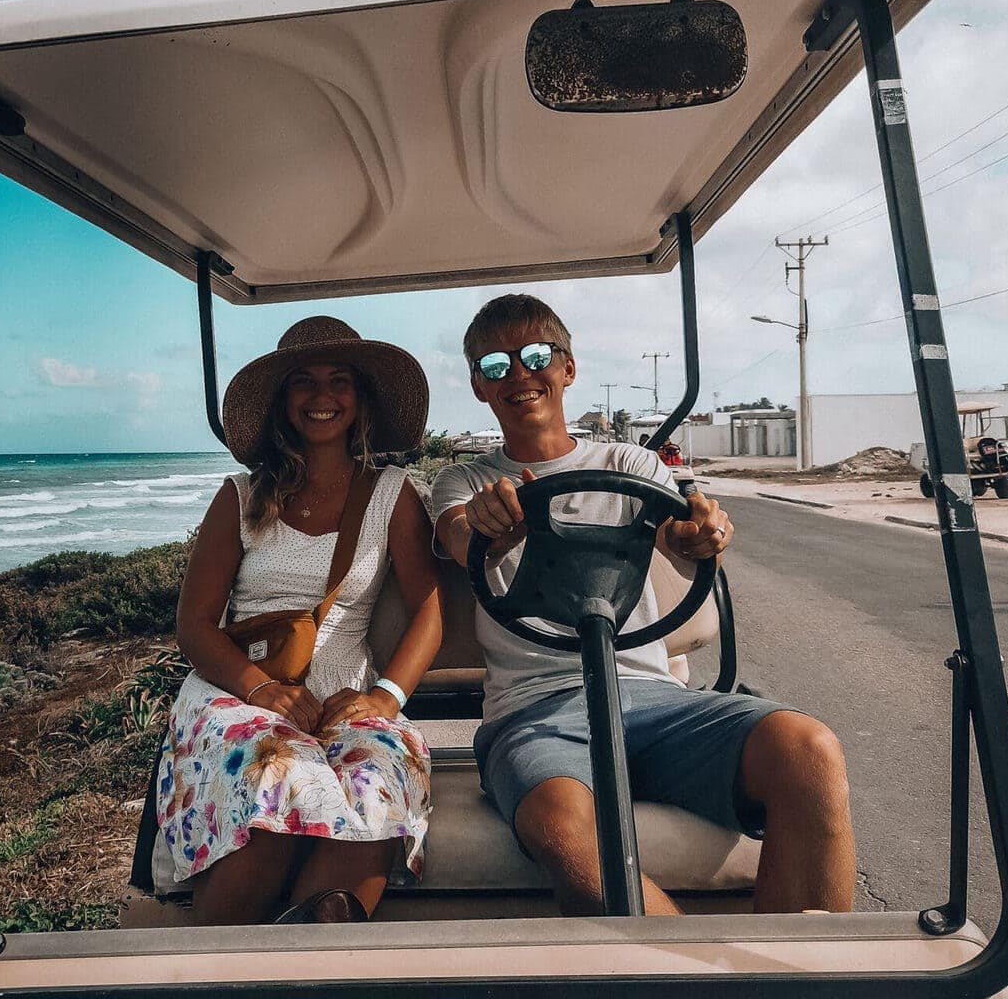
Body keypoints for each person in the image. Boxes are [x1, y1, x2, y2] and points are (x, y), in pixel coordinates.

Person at [432, 294, 854, 917]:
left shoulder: (629, 463)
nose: (519, 374)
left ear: (568, 369)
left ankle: (805, 977)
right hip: (535, 712)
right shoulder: (467, 483)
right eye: (496, 366)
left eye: (537, 356)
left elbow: (676, 535)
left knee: (807, 750)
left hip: (653, 698)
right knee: (558, 823)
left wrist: (696, 535)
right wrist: (493, 528)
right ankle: (699, 980)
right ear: (478, 386)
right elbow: (460, 535)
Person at [161, 316, 443, 925]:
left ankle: (320, 949)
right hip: (240, 693)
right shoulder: (239, 496)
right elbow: (196, 624)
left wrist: (387, 699)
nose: (322, 396)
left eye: (339, 379)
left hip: (347, 698)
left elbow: (428, 606)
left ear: (359, 398)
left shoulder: (393, 494)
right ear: (282, 403)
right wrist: (262, 690)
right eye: (303, 382)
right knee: (283, 775)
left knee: (381, 776)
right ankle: (218, 960)